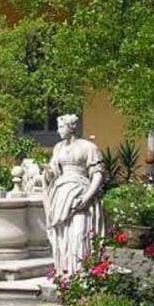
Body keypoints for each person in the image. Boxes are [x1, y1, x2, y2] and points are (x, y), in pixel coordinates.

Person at [44, 114, 106, 276]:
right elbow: (54, 172)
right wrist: (47, 172)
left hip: (80, 194)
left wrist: (86, 197)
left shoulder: (88, 147)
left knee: (79, 234)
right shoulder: (58, 148)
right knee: (64, 238)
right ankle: (66, 273)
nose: (58, 131)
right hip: (61, 195)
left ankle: (81, 273)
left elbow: (97, 174)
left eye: (61, 127)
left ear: (71, 127)